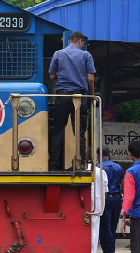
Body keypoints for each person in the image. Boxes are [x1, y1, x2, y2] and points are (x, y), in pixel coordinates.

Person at [48, 31, 96, 171]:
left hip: (62, 95)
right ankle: (80, 163)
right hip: (80, 97)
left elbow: (51, 76)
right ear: (80, 41)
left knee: (58, 130)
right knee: (79, 132)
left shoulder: (58, 54)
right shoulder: (86, 55)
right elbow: (91, 79)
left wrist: (63, 74)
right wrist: (91, 96)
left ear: (70, 41)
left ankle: (54, 166)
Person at [97, 146, 125, 253]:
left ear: (98, 155)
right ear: (109, 154)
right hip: (117, 199)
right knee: (113, 227)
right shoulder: (118, 166)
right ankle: (111, 251)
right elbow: (123, 183)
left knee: (105, 227)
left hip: (105, 199)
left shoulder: (98, 168)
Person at [121, 141, 140, 253]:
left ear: (130, 154)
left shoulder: (131, 172)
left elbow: (128, 197)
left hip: (138, 215)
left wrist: (123, 217)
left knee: (137, 247)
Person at [90, 161, 108, 253]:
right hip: (96, 206)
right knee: (94, 231)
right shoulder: (101, 172)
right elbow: (105, 191)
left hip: (83, 203)